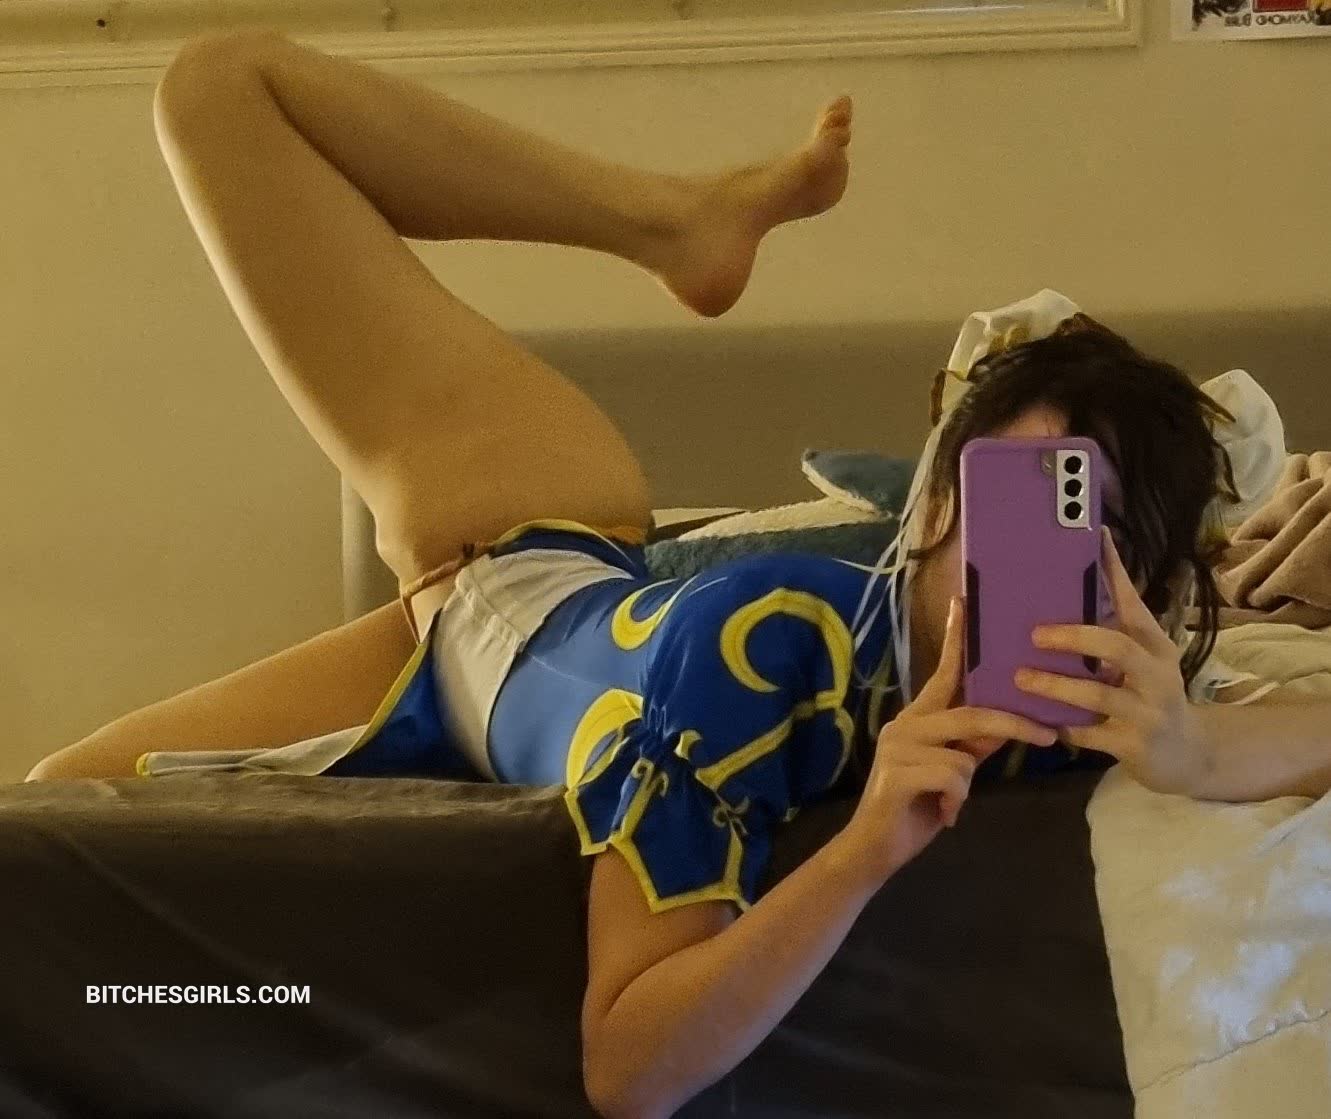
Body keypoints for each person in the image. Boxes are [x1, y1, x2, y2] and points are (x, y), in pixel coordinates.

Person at [26, 29, 1331, 1119]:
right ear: (934, 502)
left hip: (437, 664)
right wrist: (859, 849)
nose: (1030, 573)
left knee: (50, 811)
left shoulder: (1114, 701)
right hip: (508, 530)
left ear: (1154, 583)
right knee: (224, 90)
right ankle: (668, 219)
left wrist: (1191, 749)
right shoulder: (762, 651)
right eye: (1011, 503)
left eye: (1093, 539)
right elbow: (632, 1069)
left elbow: (631, 1071)